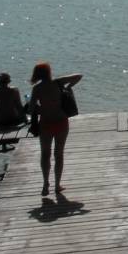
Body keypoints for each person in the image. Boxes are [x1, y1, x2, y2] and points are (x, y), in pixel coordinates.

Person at [27, 62, 83, 197]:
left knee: (45, 154)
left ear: (36, 74)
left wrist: (42, 108)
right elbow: (79, 76)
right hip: (61, 122)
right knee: (59, 154)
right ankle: (57, 185)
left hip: (45, 123)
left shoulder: (37, 89)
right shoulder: (58, 82)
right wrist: (68, 88)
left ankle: (46, 184)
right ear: (49, 72)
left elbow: (30, 110)